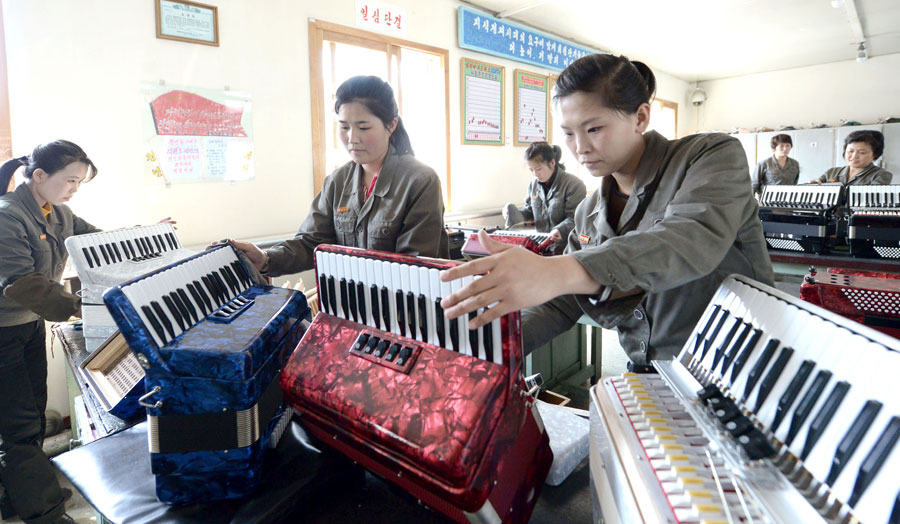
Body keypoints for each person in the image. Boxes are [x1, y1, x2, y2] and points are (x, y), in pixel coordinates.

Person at [439, 54, 774, 364]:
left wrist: (556, 271)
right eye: (569, 134)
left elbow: (687, 239)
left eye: (594, 129)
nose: (580, 148)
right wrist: (481, 345)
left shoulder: (710, 156)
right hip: (650, 375)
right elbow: (562, 300)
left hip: (737, 367)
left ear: (640, 117)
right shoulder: (589, 212)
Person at [230, 76, 449, 276]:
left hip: (403, 314)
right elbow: (310, 243)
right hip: (349, 308)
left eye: (363, 127)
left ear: (391, 125)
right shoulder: (337, 182)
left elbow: (417, 267)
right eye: (344, 127)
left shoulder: (420, 181)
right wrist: (266, 258)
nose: (352, 138)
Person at [0, 140, 99, 524]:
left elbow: (96, 241)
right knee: (18, 423)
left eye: (80, 182)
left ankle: (19, 494)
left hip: (27, 325)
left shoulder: (59, 213)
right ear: (39, 176)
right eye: (70, 180)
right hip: (4, 330)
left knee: (33, 413)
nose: (74, 189)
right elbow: (22, 282)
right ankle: (44, 513)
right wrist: (79, 307)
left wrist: (145, 236)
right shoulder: (9, 216)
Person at [502, 142, 586, 251]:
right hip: (541, 245)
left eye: (538, 169)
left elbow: (575, 219)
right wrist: (512, 211)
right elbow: (530, 211)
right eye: (531, 170)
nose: (535, 174)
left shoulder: (574, 185)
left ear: (552, 163)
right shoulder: (533, 185)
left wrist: (560, 230)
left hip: (566, 247)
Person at [809, 129, 893, 185]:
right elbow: (818, 184)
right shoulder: (832, 172)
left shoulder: (881, 175)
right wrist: (814, 185)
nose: (854, 156)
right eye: (850, 151)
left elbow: (870, 199)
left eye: (862, 152)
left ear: (875, 154)